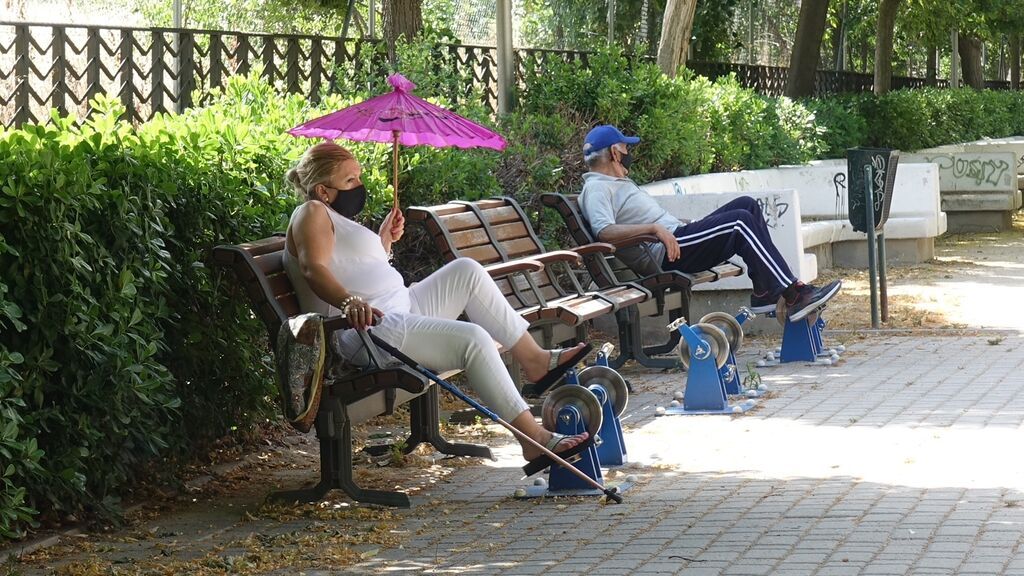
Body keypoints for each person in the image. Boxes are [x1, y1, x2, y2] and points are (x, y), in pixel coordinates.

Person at [283, 141, 593, 465]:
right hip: (367, 330)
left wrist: (384, 240)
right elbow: (313, 267)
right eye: (349, 181)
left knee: (467, 271)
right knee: (472, 339)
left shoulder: (332, 216)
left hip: (400, 308)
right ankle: (534, 439)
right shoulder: (311, 212)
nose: (359, 187)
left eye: (359, 177)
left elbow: (352, 266)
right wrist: (348, 302)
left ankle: (536, 361)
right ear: (323, 191)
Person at [578, 125, 841, 322]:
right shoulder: (598, 188)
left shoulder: (613, 184)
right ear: (614, 152)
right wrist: (654, 229)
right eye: (626, 149)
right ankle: (793, 293)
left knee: (747, 205)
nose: (628, 154)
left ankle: (764, 292)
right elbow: (605, 232)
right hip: (666, 252)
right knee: (739, 223)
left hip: (676, 238)